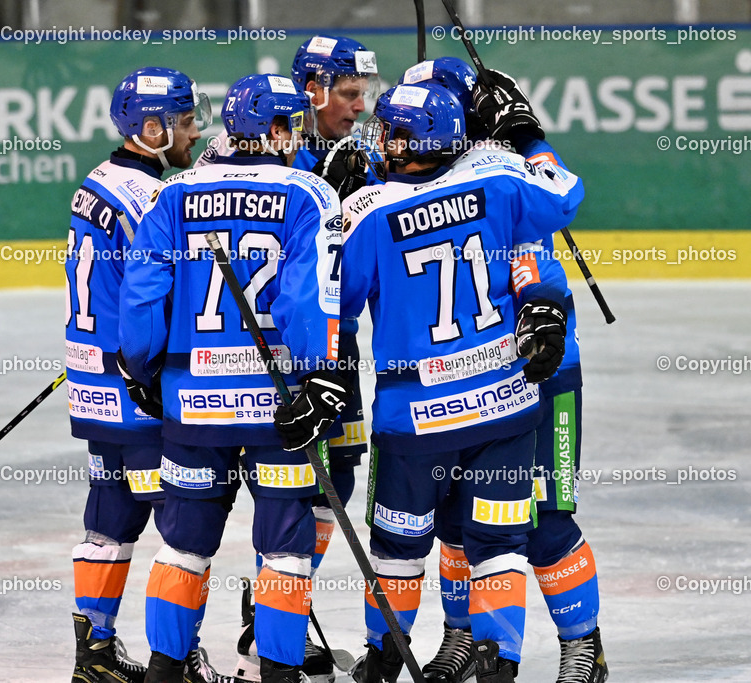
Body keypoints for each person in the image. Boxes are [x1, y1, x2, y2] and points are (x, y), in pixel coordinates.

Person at [340, 80, 584, 682]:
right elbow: (566, 194)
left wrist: (338, 203)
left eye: (392, 130)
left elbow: (334, 300)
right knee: (496, 545)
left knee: (401, 550)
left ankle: (383, 662)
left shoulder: (369, 210)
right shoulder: (501, 175)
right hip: (506, 403)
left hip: (415, 416)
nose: (383, 139)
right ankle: (493, 662)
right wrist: (527, 136)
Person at [117, 72, 350, 683]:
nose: (297, 131)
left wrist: (142, 370)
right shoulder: (308, 193)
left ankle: (166, 670)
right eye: (291, 122)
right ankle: (276, 672)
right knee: (284, 550)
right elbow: (306, 303)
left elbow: (142, 297)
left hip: (193, 406)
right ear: (274, 129)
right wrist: (320, 376)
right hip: (279, 410)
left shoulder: (175, 193)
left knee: (183, 546)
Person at [399, 60, 608, 683]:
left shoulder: (502, 171)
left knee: (542, 519)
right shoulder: (413, 171)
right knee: (461, 522)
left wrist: (525, 139)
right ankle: (468, 643)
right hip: (457, 381)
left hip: (539, 372)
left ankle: (583, 650)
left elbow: (561, 201)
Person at [67, 66, 215, 683]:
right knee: (184, 529)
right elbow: (154, 298)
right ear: (151, 130)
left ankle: (94, 653)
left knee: (110, 517)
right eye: (184, 123)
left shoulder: (95, 183)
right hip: (137, 388)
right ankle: (174, 661)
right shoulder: (152, 199)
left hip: (92, 382)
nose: (194, 133)